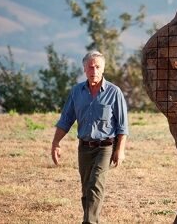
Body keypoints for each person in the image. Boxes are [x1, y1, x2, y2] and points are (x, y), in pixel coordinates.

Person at [51, 50, 129, 224]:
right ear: (84, 69)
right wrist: (56, 143)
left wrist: (120, 150)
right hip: (84, 148)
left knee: (95, 186)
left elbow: (123, 125)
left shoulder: (114, 92)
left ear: (103, 69)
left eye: (97, 67)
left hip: (105, 147)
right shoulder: (76, 92)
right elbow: (66, 119)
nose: (94, 71)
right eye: (90, 67)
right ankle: (90, 218)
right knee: (86, 190)